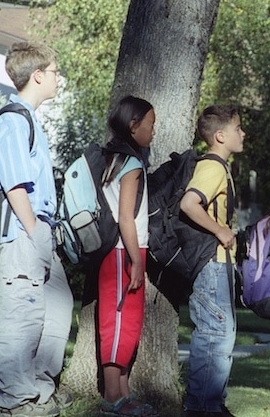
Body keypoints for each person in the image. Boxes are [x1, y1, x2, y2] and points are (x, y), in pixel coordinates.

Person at [0, 42, 74, 417]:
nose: (58, 78)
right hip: (23, 233)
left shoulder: (30, 120)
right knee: (20, 316)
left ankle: (38, 390)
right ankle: (13, 400)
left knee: (56, 309)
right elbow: (14, 185)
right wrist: (34, 229)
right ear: (37, 75)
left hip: (39, 232)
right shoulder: (12, 121)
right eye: (54, 72)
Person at [179, 105, 244, 417]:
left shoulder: (220, 168)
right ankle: (202, 407)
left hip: (220, 263)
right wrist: (219, 230)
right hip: (212, 263)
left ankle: (209, 403)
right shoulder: (213, 168)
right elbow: (189, 203)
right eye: (237, 129)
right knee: (215, 334)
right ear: (220, 136)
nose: (243, 134)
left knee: (221, 334)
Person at [97, 96, 159, 417]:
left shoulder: (115, 158)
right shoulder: (131, 164)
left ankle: (123, 392)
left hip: (124, 251)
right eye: (150, 124)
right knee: (119, 322)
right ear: (134, 126)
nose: (153, 131)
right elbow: (126, 217)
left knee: (127, 322)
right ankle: (112, 396)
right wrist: (136, 261)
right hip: (124, 251)